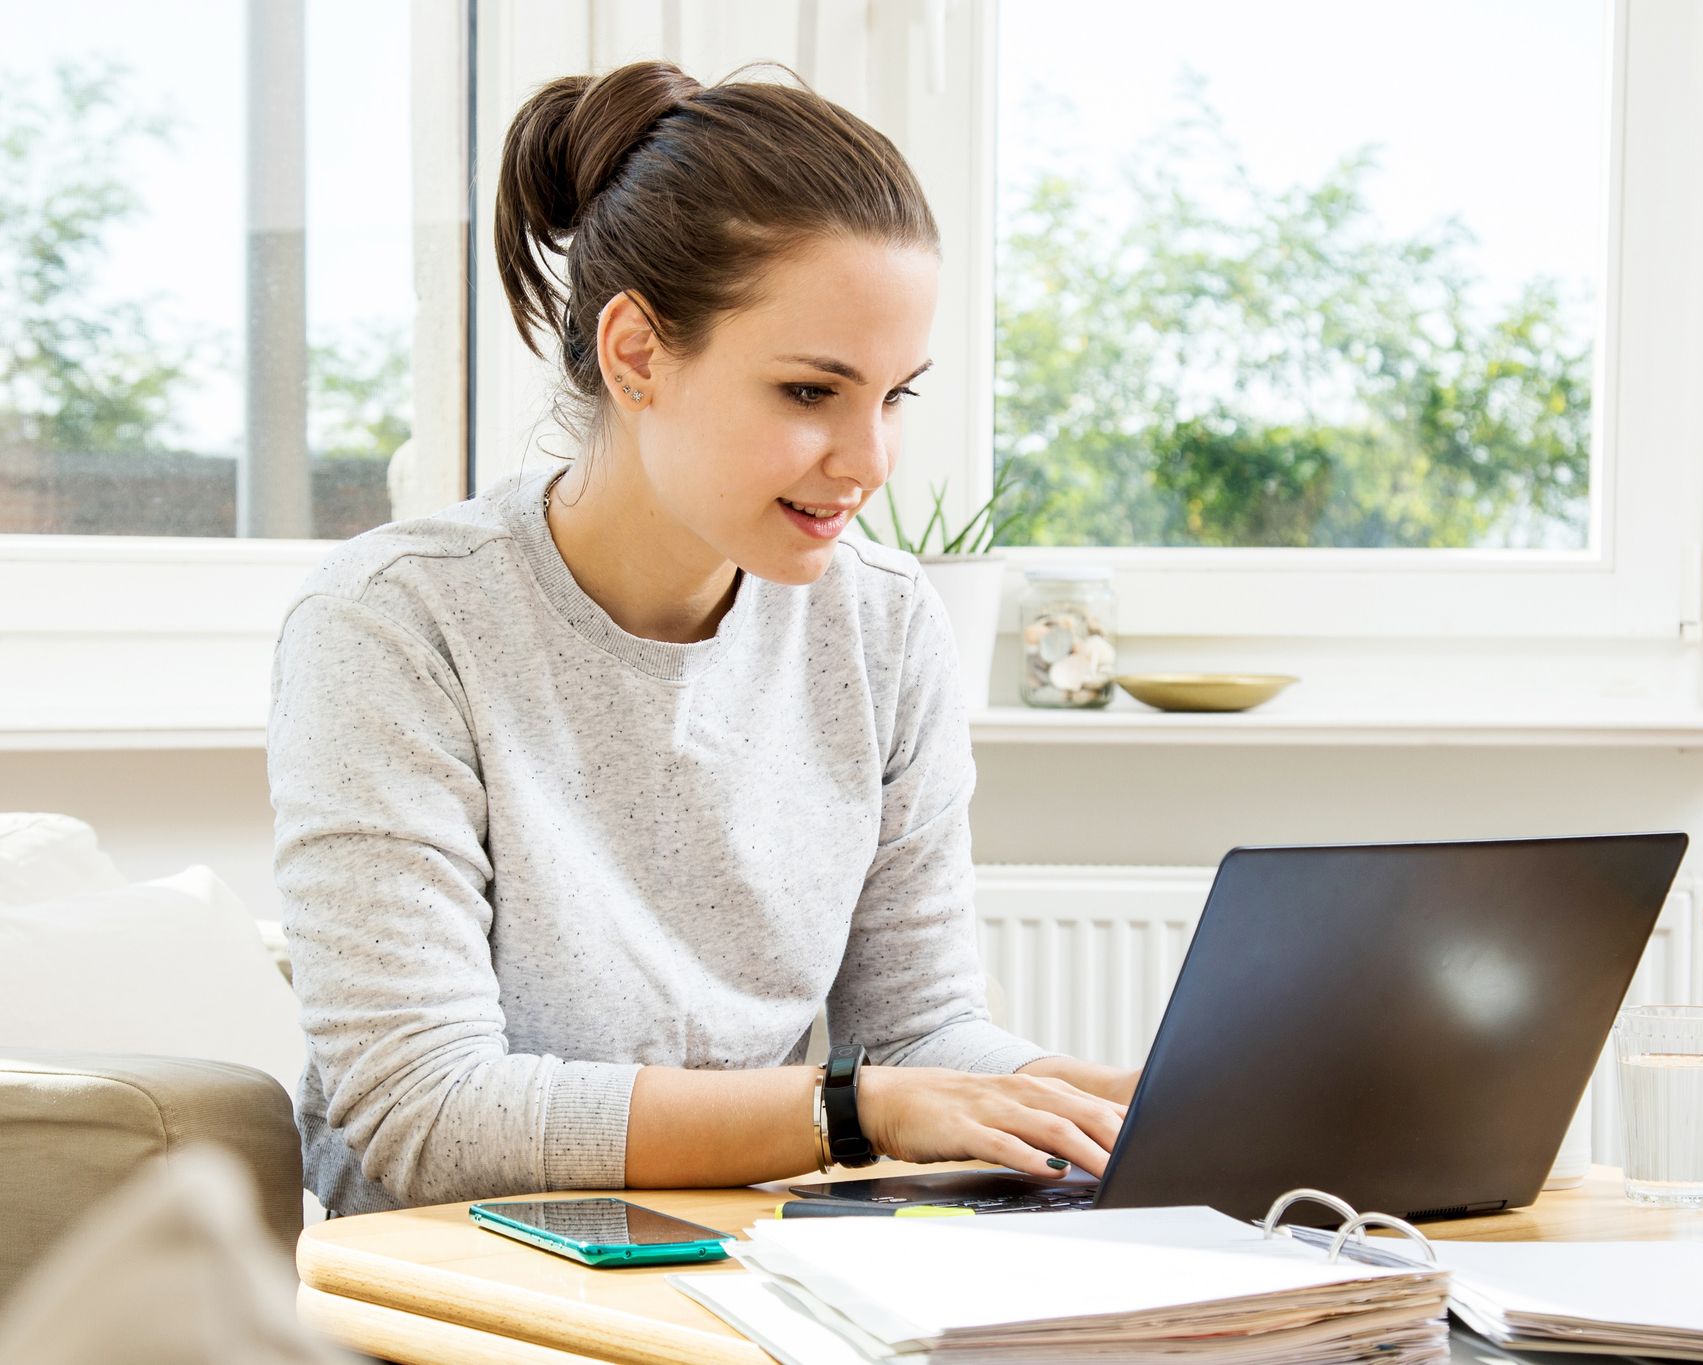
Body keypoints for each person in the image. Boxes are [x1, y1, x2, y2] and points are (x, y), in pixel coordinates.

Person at [268, 60, 1134, 1217]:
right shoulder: (394, 623)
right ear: (635, 355)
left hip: (758, 1241)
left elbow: (919, 1031)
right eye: (809, 393)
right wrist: (849, 1108)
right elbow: (426, 1111)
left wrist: (1098, 1098)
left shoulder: (879, 621)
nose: (869, 461)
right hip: (460, 1274)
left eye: (894, 397)